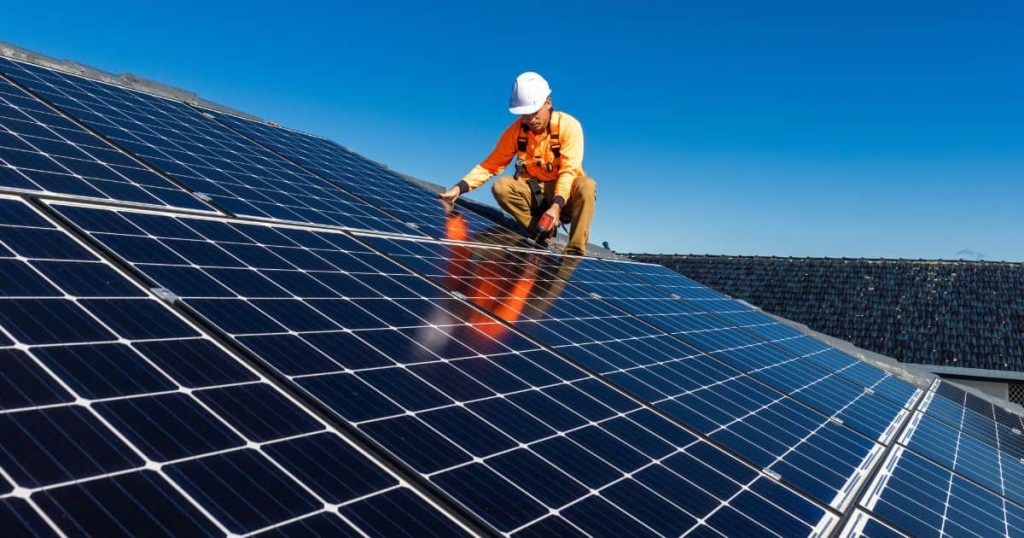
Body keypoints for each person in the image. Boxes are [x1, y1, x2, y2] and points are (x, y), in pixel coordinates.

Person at [439, 72, 596, 256]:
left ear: (548, 102)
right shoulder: (516, 131)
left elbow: (569, 172)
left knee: (586, 185)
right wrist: (459, 188)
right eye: (525, 115)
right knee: (502, 187)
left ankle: (575, 252)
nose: (530, 120)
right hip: (534, 194)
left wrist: (556, 206)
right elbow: (491, 164)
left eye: (535, 113)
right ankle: (539, 231)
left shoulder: (569, 126)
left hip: (565, 198)